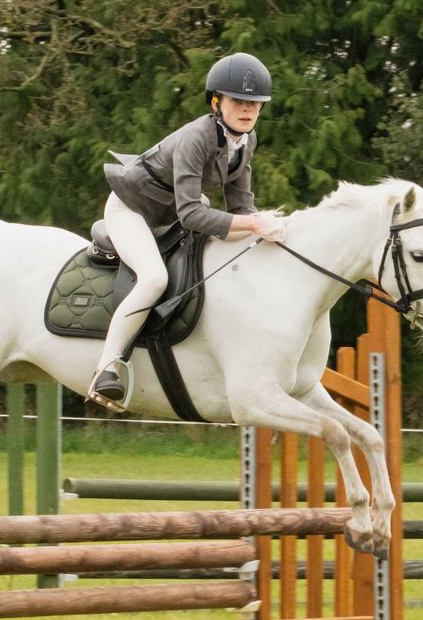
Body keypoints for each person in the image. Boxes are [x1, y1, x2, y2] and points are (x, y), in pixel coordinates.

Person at [88, 52, 286, 408]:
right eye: (238, 100)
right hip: (132, 210)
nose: (247, 109)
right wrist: (255, 224)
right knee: (153, 279)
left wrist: (269, 232)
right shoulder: (197, 137)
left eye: (255, 103)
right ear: (216, 102)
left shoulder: (246, 142)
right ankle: (107, 367)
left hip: (173, 211)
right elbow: (193, 214)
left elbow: (242, 208)